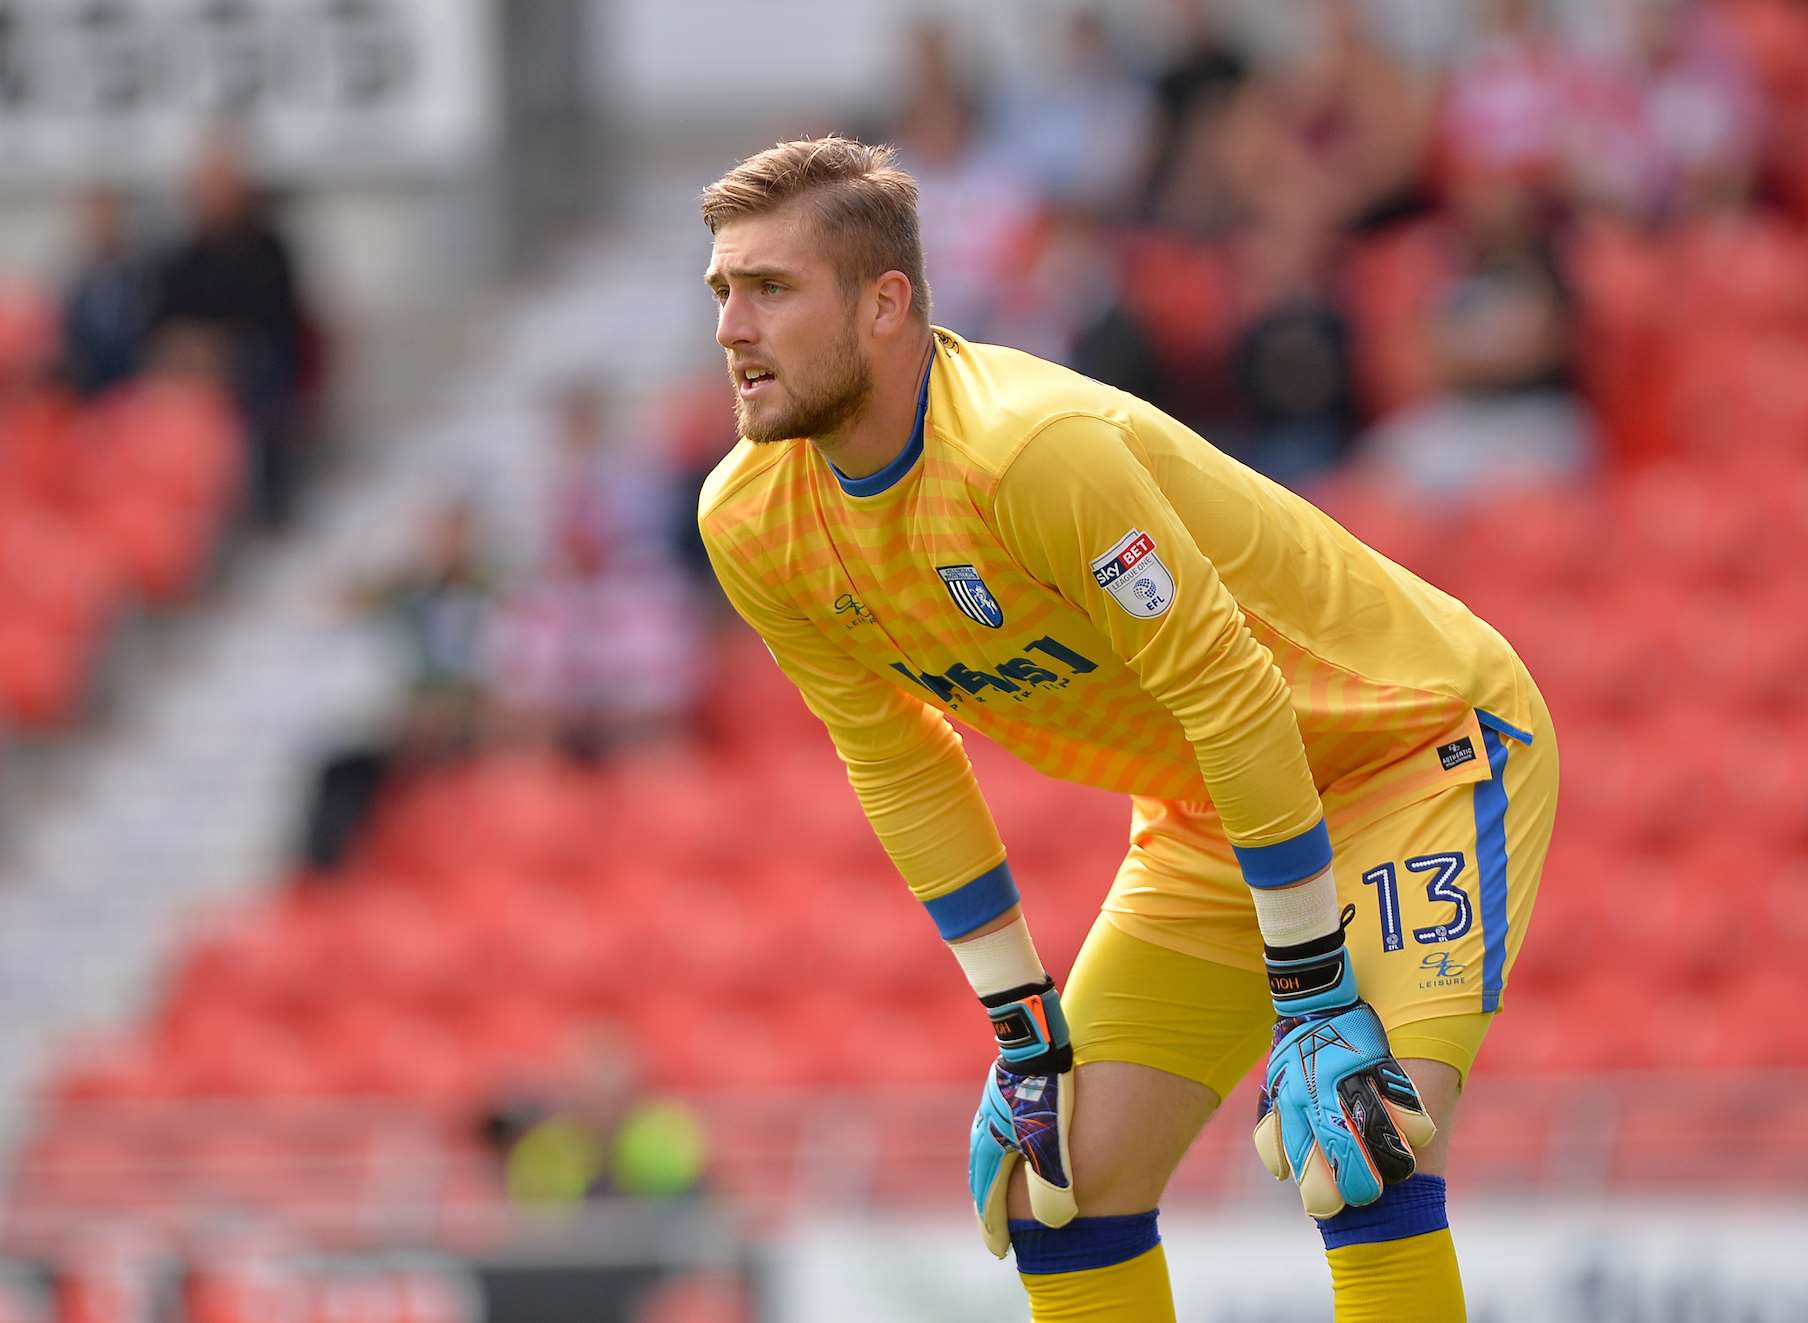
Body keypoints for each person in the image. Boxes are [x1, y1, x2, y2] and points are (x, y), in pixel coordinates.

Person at [695, 136, 1558, 1322]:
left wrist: (1309, 988)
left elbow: (1230, 690)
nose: (733, 326)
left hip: (1410, 750)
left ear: (884, 302)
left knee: (1357, 1140)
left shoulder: (1028, 452)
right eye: (721, 292)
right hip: (1219, 808)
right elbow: (893, 755)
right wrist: (1020, 1026)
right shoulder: (748, 516)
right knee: (1058, 1185)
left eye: (771, 289)